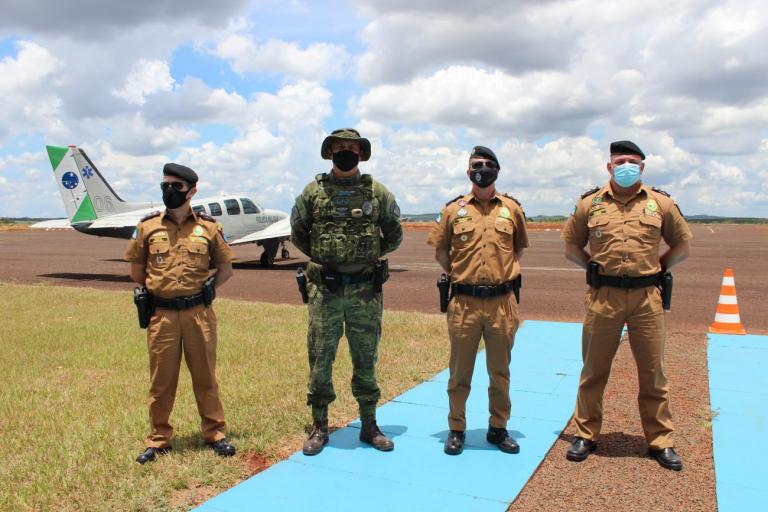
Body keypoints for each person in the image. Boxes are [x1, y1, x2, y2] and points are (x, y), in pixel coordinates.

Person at [561, 140, 692, 470]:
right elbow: (572, 247)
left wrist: (658, 269)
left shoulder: (660, 204)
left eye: (632, 161)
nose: (626, 166)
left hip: (647, 297)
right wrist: (592, 266)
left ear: (642, 168)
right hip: (603, 297)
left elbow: (681, 246)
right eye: (620, 161)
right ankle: (586, 434)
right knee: (593, 370)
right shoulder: (589, 204)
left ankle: (660, 440)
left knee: (653, 374)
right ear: (609, 167)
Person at [290, 128, 403, 456]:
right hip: (325, 291)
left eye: (351, 148)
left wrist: (365, 255)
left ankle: (369, 424)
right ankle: (319, 425)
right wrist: (327, 256)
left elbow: (394, 235)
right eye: (339, 147)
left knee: (366, 357)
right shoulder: (313, 193)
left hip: (364, 292)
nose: (345, 152)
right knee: (320, 357)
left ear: (360, 154)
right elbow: (298, 232)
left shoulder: (377, 192)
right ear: (329, 153)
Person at [125, 163, 236, 464]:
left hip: (198, 313)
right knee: (161, 380)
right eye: (165, 186)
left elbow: (225, 269)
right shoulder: (148, 226)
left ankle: (215, 433)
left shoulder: (209, 228)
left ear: (192, 191)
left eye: (177, 186)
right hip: (161, 316)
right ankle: (158, 439)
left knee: (205, 376)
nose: (170, 191)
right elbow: (137, 271)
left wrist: (206, 288)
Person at [427, 146, 529, 455]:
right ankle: (456, 428)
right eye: (475, 165)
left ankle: (498, 428)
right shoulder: (452, 210)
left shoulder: (512, 209)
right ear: (468, 171)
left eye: (487, 164)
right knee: (460, 372)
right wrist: (462, 274)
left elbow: (518, 249)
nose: (481, 169)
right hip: (465, 303)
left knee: (500, 371)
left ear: (497, 170)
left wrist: (500, 275)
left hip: (501, 303)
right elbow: (441, 252)